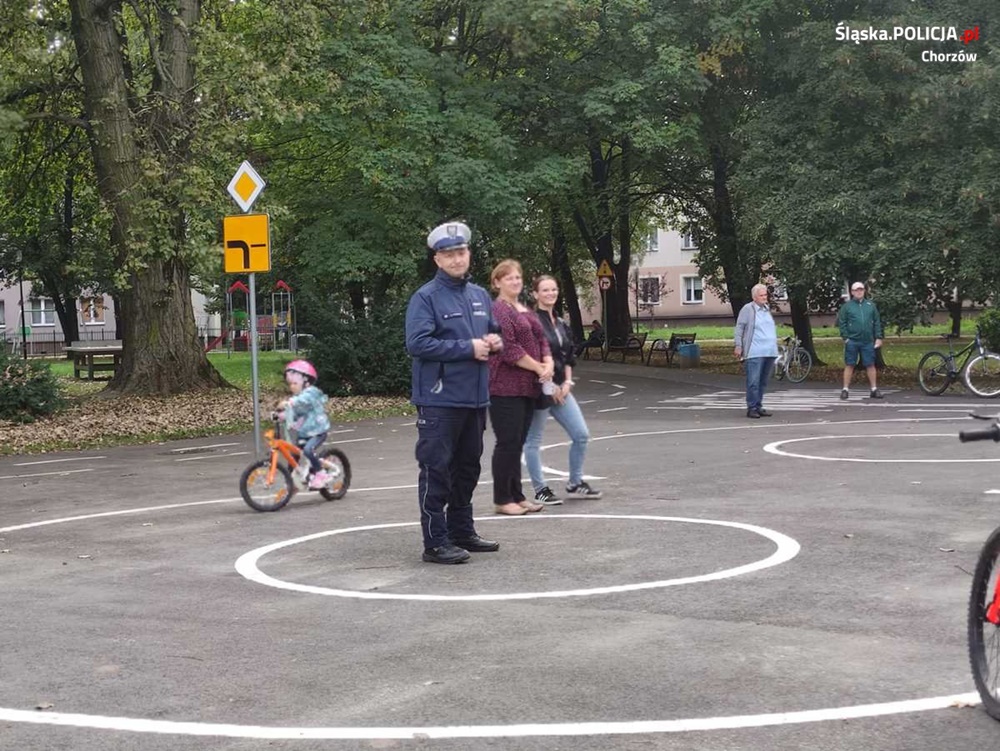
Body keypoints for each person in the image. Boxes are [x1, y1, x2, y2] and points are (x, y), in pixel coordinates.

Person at [405, 221, 504, 565]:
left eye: (461, 252)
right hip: (439, 400)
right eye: (449, 254)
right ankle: (435, 541)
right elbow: (417, 343)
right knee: (437, 469)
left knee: (468, 468)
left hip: (475, 399)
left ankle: (462, 530)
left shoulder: (479, 296)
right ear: (437, 259)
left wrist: (494, 342)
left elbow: (494, 334)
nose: (456, 259)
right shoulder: (425, 298)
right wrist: (468, 347)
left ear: (469, 254)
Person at [523, 275, 601, 505]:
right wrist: (549, 387)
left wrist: (566, 383)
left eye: (553, 290)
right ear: (535, 294)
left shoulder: (561, 323)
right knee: (533, 440)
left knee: (581, 434)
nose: (550, 294)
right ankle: (540, 489)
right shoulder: (530, 322)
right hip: (538, 390)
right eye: (545, 290)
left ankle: (575, 482)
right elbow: (529, 359)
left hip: (561, 390)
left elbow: (568, 356)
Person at [488, 259, 553, 516]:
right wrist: (538, 367)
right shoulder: (499, 311)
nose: (515, 281)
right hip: (505, 387)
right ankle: (503, 499)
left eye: (517, 277)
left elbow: (540, 337)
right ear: (497, 283)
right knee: (507, 442)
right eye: (508, 278)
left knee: (518, 442)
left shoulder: (523, 308)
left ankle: (517, 494)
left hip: (527, 387)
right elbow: (509, 349)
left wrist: (547, 361)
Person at [279, 360, 332, 490]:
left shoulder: (311, 393)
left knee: (308, 450)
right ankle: (292, 479)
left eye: (295, 383)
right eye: (290, 384)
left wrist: (289, 403)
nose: (292, 387)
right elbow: (297, 413)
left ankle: (321, 474)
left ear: (306, 381)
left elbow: (302, 400)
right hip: (305, 432)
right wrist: (283, 416)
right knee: (294, 453)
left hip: (318, 431)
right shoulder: (298, 397)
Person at [734, 283, 778, 419]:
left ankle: (758, 405)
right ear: (754, 297)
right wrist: (738, 345)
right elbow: (740, 327)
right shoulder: (748, 309)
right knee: (753, 381)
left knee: (763, 381)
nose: (765, 297)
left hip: (769, 351)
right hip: (754, 351)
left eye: (766, 295)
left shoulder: (766, 309)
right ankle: (752, 407)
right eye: (762, 295)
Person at [837, 281, 884, 400]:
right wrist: (845, 338)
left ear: (864, 291)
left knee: (870, 364)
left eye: (861, 289)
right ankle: (845, 389)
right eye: (856, 290)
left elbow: (877, 322)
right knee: (850, 364)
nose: (859, 292)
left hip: (867, 340)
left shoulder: (870, 305)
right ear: (852, 292)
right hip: (852, 340)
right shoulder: (847, 307)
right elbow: (842, 322)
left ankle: (874, 389)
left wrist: (878, 337)